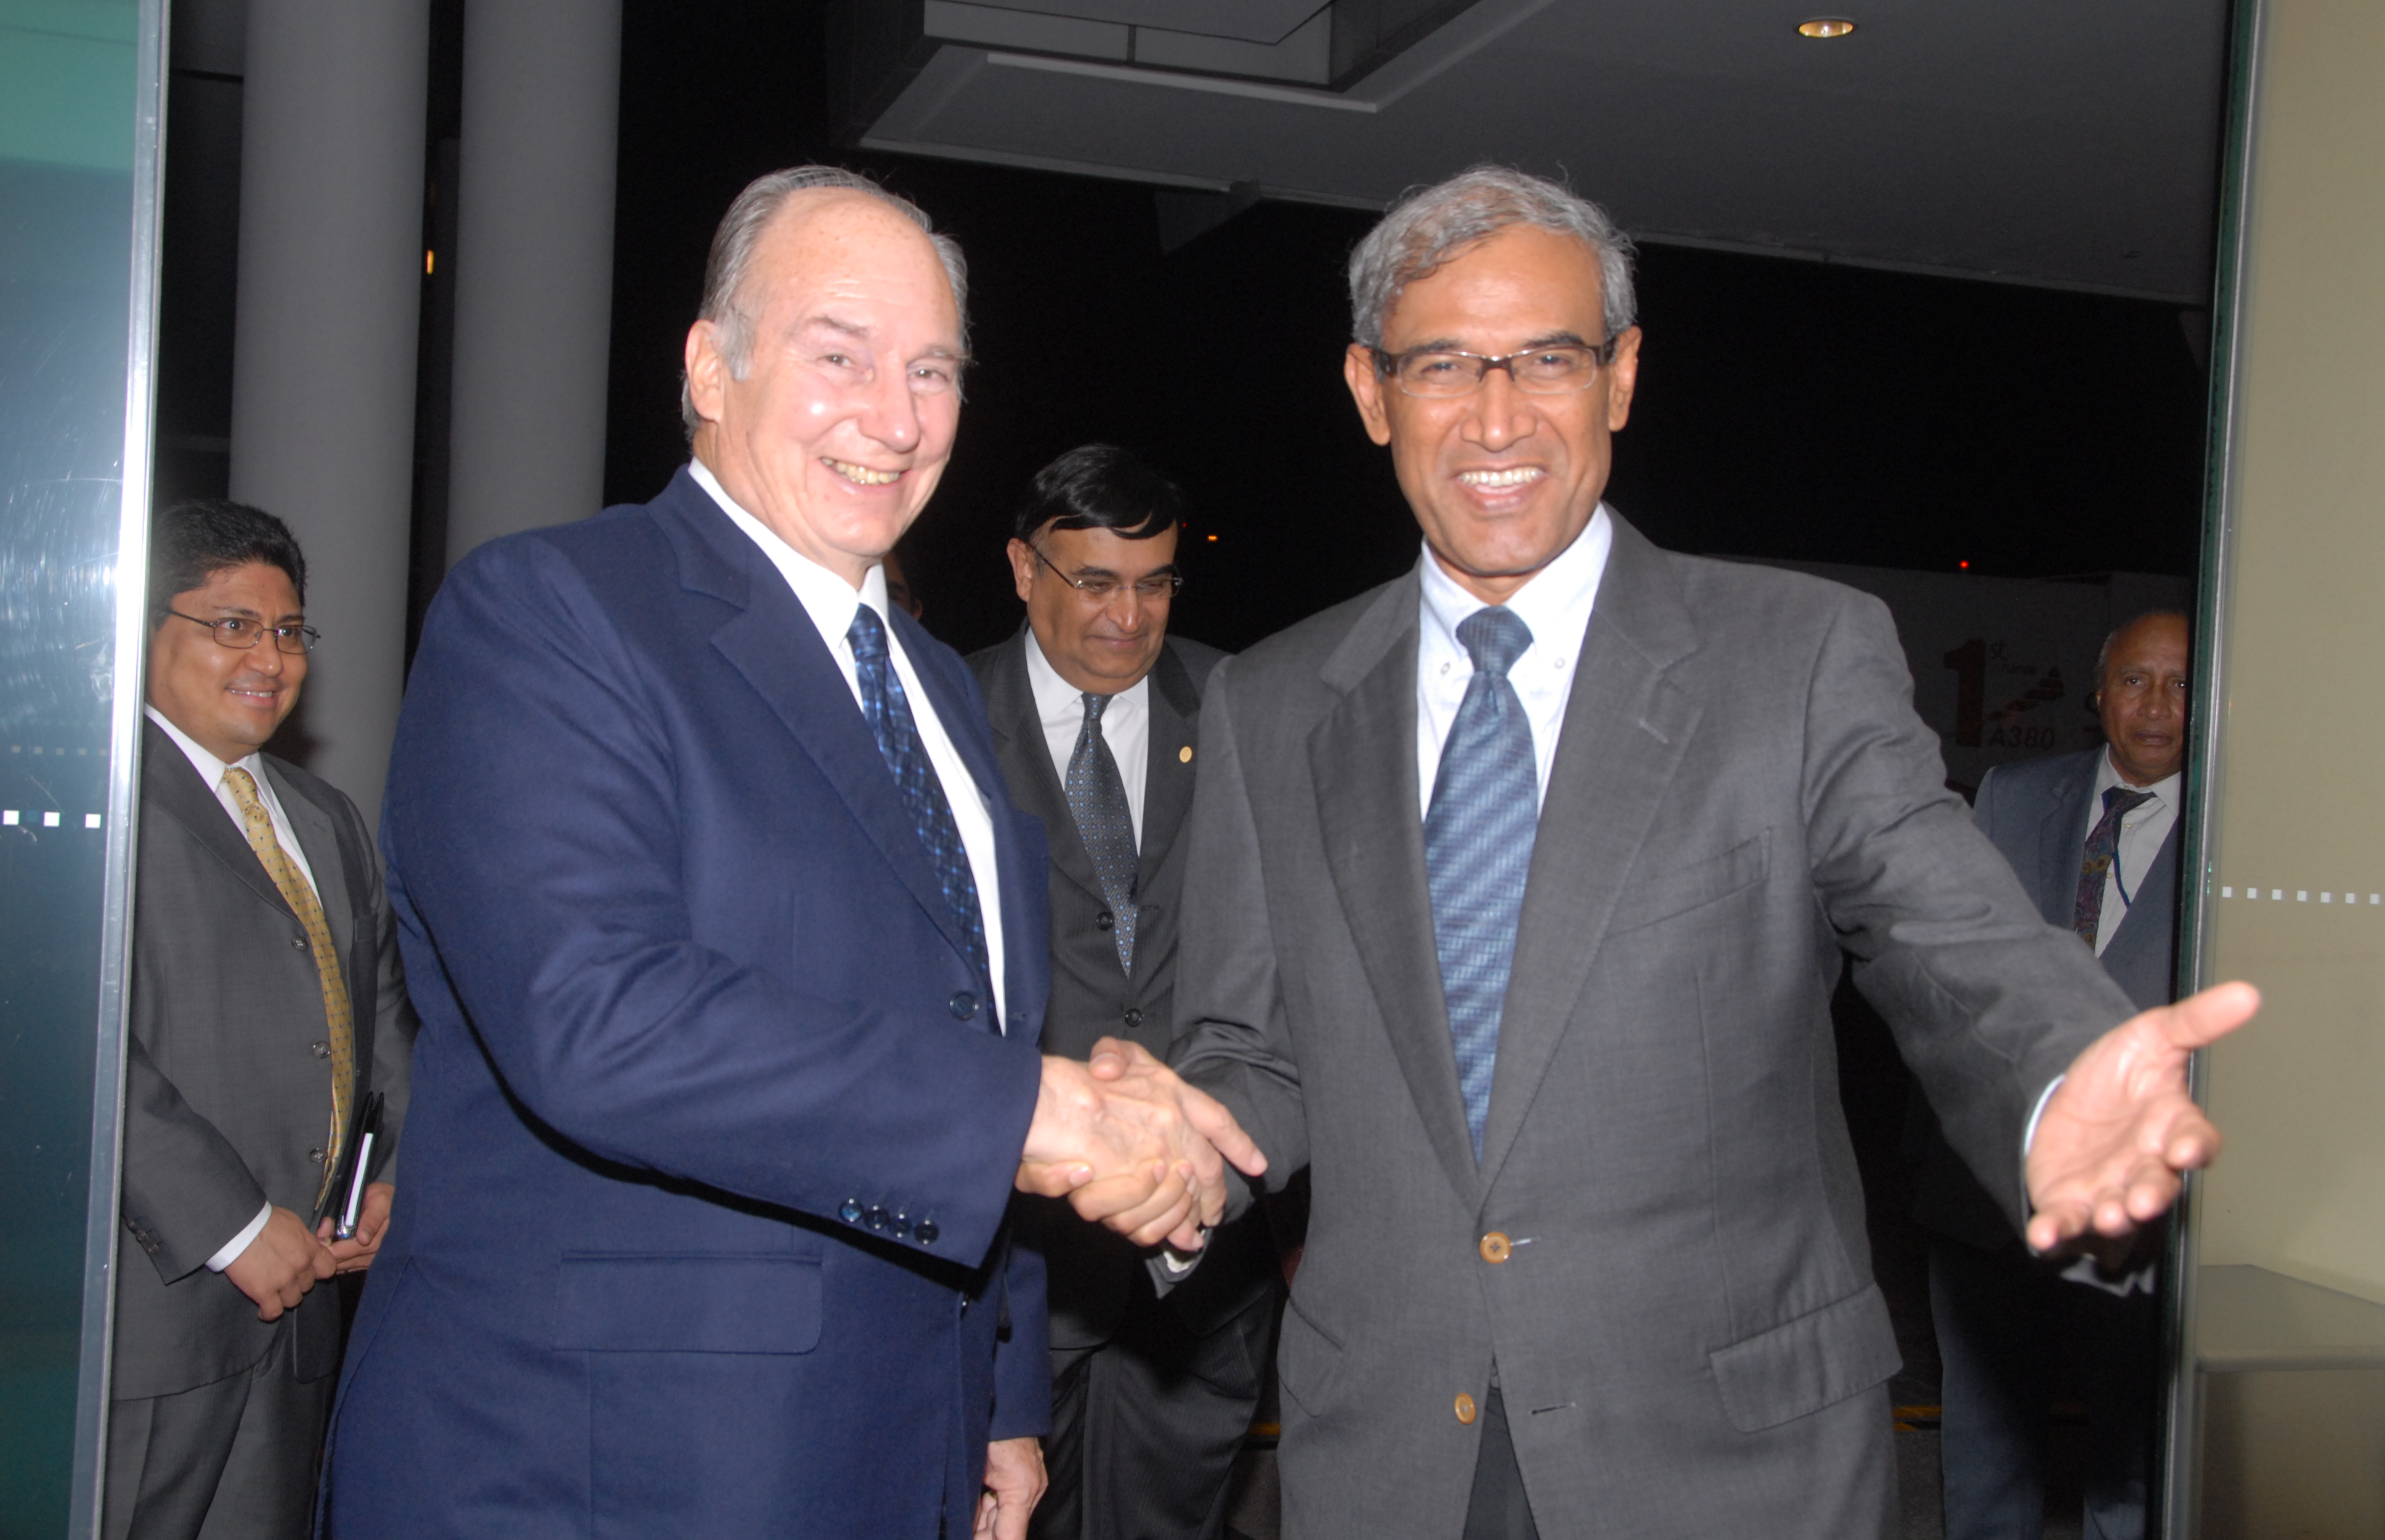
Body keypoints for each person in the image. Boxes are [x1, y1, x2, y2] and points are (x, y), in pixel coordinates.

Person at [1139, 166, 2254, 1537]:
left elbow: (1941, 927)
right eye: (1443, 365)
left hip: (1727, 1459)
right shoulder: (1270, 700)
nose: (1497, 417)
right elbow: (1252, 1047)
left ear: (1621, 377)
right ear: (1372, 394)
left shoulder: (1792, 656)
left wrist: (2054, 1079)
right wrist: (1187, 1147)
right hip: (1388, 1454)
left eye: (1548, 358)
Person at [319, 166, 1258, 1540]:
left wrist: (995, 1396)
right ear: (711, 367)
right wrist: (1043, 1115)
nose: (894, 417)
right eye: (840, 356)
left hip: (899, 1435)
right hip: (606, 1466)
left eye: (933, 370)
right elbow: (596, 1019)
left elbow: (968, 1023)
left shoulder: (933, 683)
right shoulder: (553, 611)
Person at [968, 446, 1278, 1540]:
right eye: (1094, 582)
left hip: (1198, 1279)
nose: (1127, 618)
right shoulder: (944, 714)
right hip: (1010, 1273)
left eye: (1154, 584)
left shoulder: (1243, 702)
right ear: (1022, 568)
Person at [108, 500, 413, 1540]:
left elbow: (380, 1017)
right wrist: (233, 1226)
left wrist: (393, 1170)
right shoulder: (89, 796)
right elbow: (80, 1046)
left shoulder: (322, 816)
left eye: (288, 632)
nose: (270, 658)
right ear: (145, 628)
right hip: (149, 1321)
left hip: (299, 1323)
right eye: (231, 625)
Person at [1917, 609, 2192, 1540]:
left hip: (2135, 1208)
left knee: (2132, 1462)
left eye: (2181, 684)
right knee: (1986, 1449)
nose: (2157, 706)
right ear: (2099, 693)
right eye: (2135, 681)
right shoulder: (2014, 795)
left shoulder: (2237, 833)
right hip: (1991, 1193)